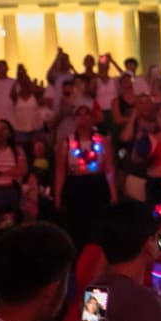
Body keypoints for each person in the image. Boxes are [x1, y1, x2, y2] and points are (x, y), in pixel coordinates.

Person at [54, 103, 117, 247]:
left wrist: (113, 194)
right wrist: (58, 195)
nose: (83, 118)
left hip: (97, 184)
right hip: (76, 185)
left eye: (86, 114)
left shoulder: (102, 140)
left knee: (98, 226)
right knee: (77, 227)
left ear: (93, 118)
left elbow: (109, 168)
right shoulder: (66, 142)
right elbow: (60, 170)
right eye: (79, 114)